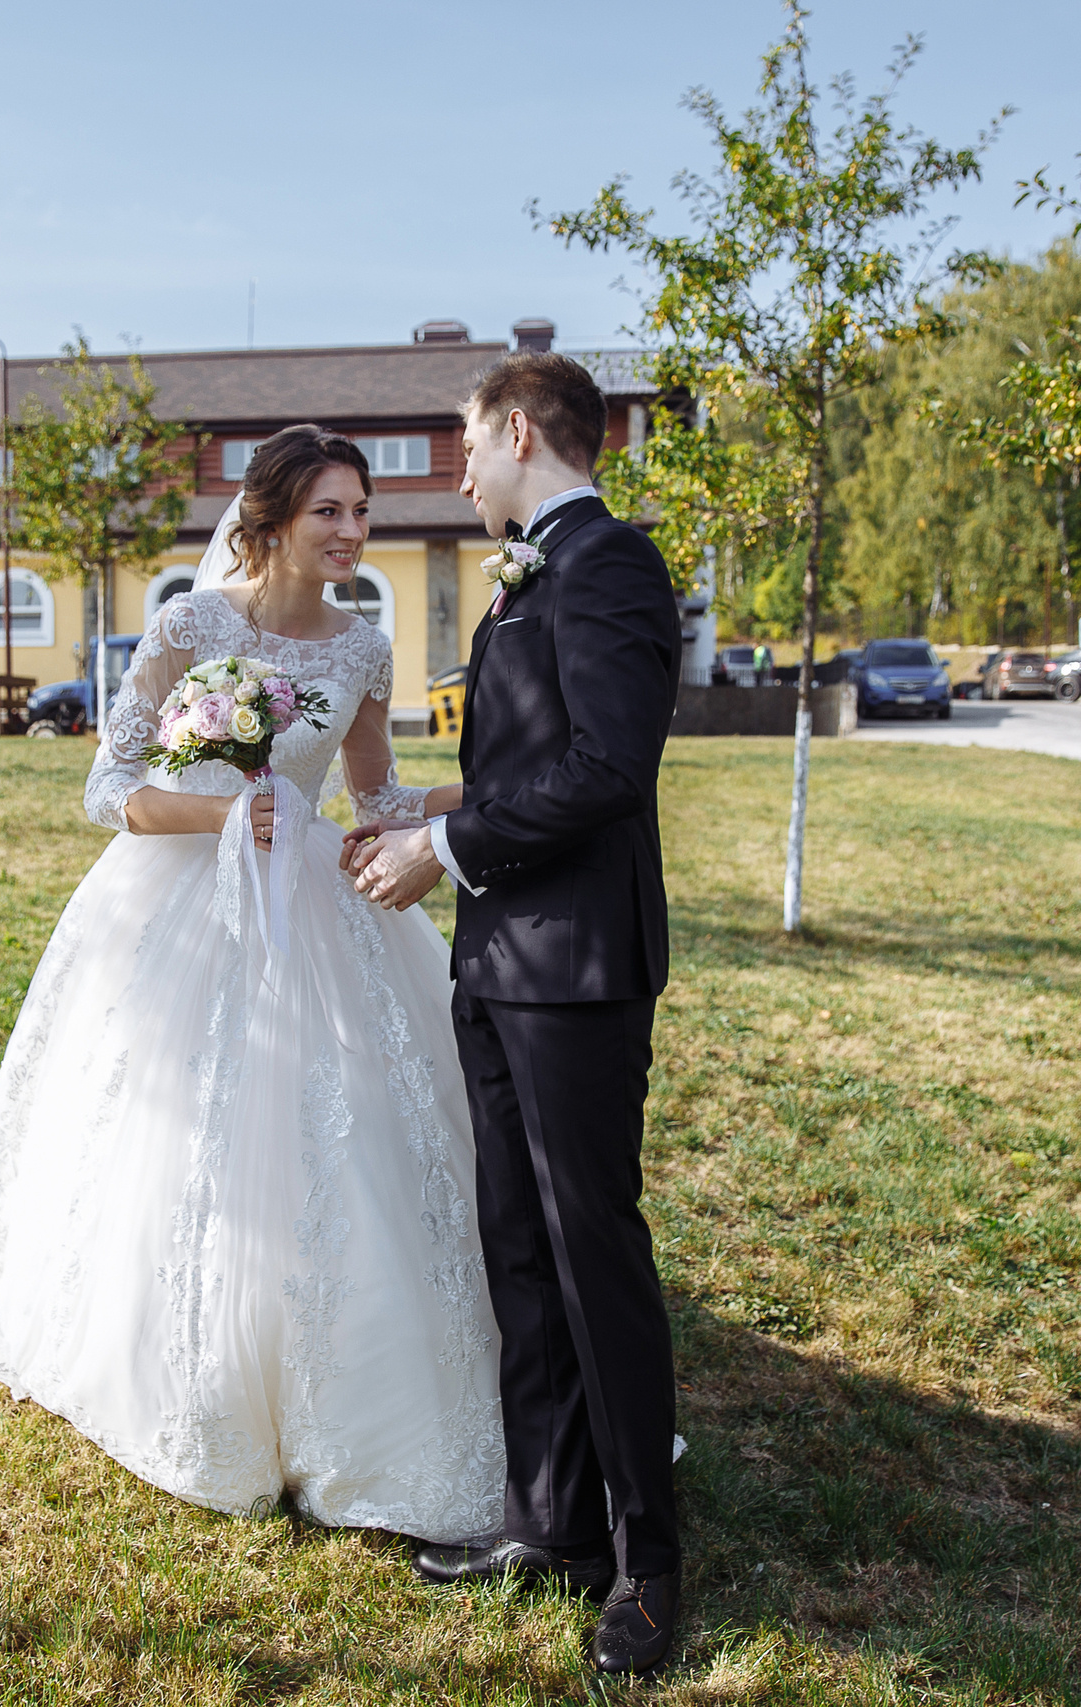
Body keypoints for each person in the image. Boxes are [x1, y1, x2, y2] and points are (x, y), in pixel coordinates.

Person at [0, 426, 505, 1547]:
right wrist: (221, 814)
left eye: (361, 511)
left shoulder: (363, 652)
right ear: (272, 518)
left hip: (305, 901)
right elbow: (110, 789)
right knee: (170, 1123)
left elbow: (376, 797)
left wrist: (486, 797)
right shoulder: (188, 626)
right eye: (330, 512)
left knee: (347, 1122)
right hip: (180, 895)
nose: (352, 532)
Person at [346, 353, 686, 1676]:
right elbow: (531, 761)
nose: (462, 472)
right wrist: (424, 812)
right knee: (519, 1249)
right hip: (498, 962)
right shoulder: (537, 572)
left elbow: (609, 764)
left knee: (593, 1251)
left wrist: (449, 849)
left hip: (575, 969)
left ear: (524, 431)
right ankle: (551, 1521)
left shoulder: (606, 564)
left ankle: (648, 1557)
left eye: (468, 448)